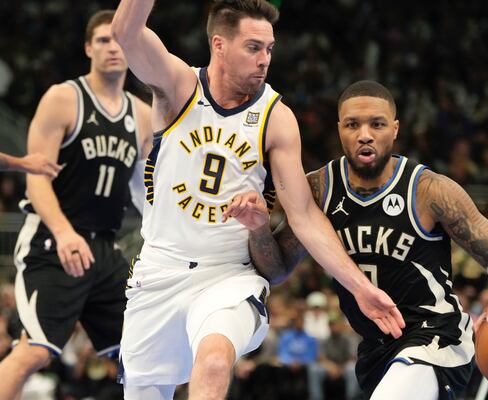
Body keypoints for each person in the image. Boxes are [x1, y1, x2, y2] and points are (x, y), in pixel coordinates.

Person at [111, 1, 403, 398]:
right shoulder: (179, 85)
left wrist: (359, 287)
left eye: (269, 48)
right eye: (253, 47)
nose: (265, 59)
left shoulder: (275, 115)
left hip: (227, 275)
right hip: (160, 270)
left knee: (214, 361)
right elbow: (126, 33)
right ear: (219, 45)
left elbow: (303, 215)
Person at [247, 80, 488, 400]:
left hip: (435, 338)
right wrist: (258, 227)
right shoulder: (318, 189)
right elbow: (276, 271)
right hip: (376, 349)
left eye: (377, 124)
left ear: (395, 129)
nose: (364, 134)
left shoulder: (429, 190)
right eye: (352, 124)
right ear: (339, 129)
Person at [0, 10, 152, 400]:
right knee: (34, 351)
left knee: (146, 355)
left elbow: (144, 190)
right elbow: (37, 178)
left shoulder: (143, 114)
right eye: (103, 40)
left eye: (119, 39)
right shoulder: (63, 98)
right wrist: (65, 233)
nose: (113, 47)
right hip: (53, 240)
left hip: (105, 247)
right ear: (88, 48)